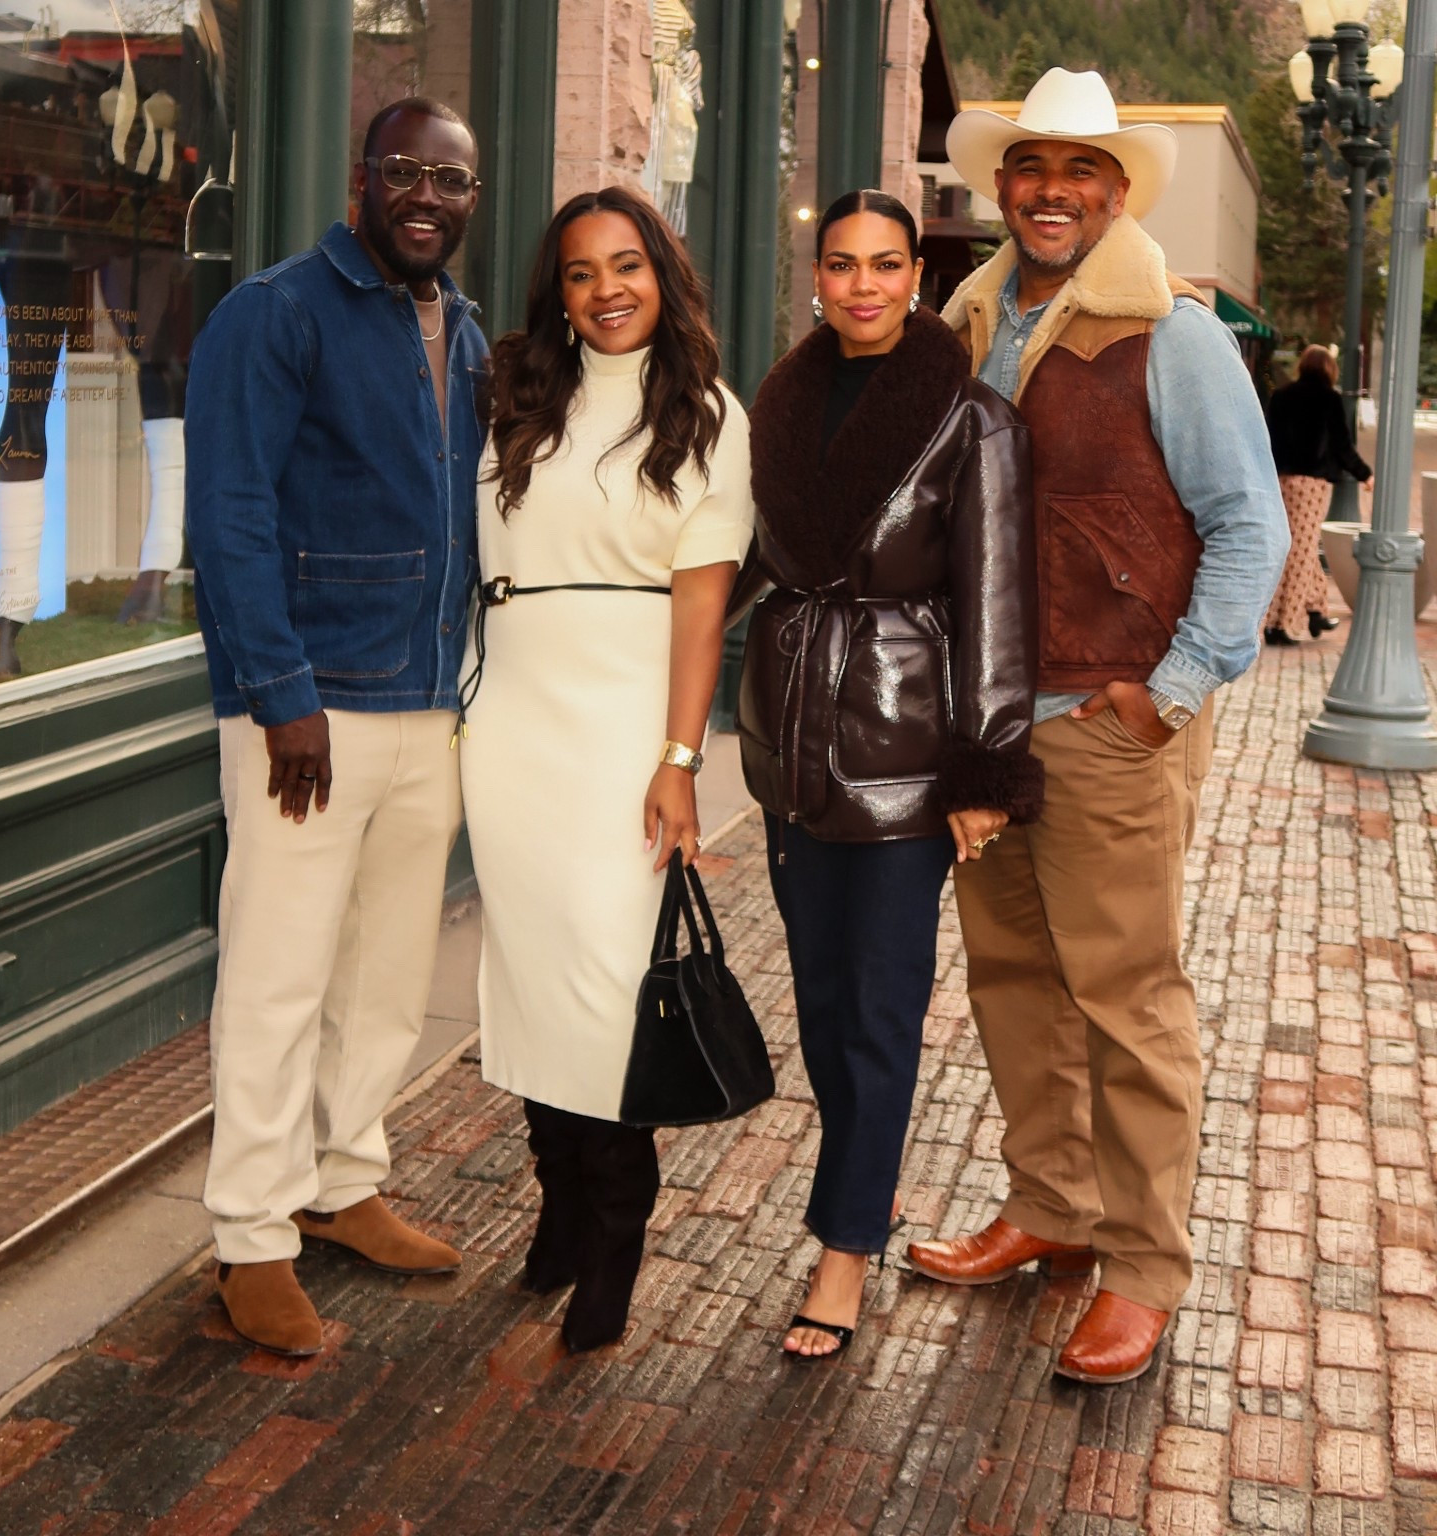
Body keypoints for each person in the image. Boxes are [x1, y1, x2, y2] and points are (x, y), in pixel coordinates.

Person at [909, 68, 1288, 1385]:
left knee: (1127, 1001)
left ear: (1117, 193)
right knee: (1013, 981)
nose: (1051, 190)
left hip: (1107, 718)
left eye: (1079, 171)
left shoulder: (1167, 332)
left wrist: (1170, 689)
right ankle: (1053, 1210)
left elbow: (1251, 528)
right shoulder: (968, 325)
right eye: (1030, 168)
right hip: (990, 726)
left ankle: (1142, 1266)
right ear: (1000, 185)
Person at [184, 96, 488, 1357]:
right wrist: (281, 691)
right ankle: (251, 1233)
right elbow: (230, 511)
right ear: (362, 177)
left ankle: (342, 1176)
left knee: (384, 975)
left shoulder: (468, 331)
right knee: (275, 976)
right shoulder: (276, 309)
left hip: (433, 704)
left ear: (472, 198)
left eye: (452, 179)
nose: (428, 194)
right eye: (406, 171)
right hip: (309, 711)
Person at [736, 189, 1044, 1362]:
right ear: (815, 275)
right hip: (792, 746)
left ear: (918, 275)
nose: (861, 284)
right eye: (839, 263)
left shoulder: (976, 424)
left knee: (876, 1006)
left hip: (906, 752)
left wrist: (984, 768)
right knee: (821, 998)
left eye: (884, 264)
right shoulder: (783, 402)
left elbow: (997, 606)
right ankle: (869, 1181)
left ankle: (845, 1244)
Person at [460, 185, 753, 1355]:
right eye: (580, 272)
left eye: (626, 264)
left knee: (603, 986)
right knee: (530, 975)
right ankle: (560, 1211)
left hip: (625, 723)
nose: (606, 289)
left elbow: (702, 610)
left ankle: (616, 1236)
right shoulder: (520, 395)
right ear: (559, 293)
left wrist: (679, 758)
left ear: (662, 273)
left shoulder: (709, 413)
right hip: (511, 721)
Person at [1263, 343, 1370, 644]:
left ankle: (1316, 610)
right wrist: (1365, 474)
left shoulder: (1281, 396)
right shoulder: (1329, 399)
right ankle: (1281, 623)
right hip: (1310, 484)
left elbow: (1266, 438)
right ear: (1329, 369)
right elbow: (1342, 444)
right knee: (1300, 550)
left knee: (1297, 545)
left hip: (1281, 481)